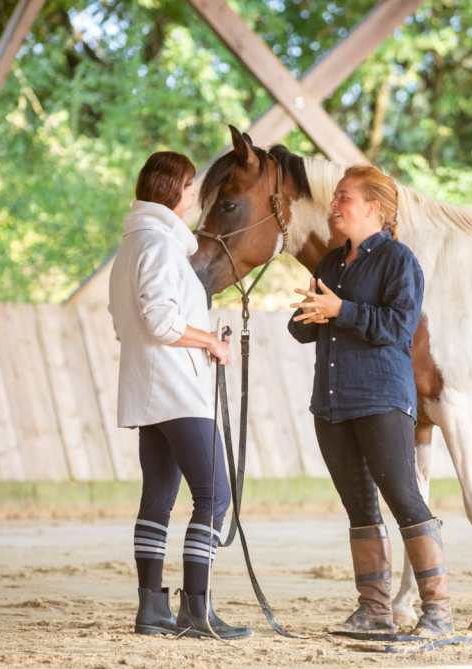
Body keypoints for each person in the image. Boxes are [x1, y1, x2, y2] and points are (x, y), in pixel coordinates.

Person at [287, 165, 453, 637]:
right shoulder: (329, 264)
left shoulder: (399, 261)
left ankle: (438, 611)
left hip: (381, 399)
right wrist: (311, 315)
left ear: (374, 208)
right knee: (359, 509)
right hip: (332, 403)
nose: (334, 205)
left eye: (344, 197)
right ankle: (374, 610)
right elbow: (300, 329)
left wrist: (340, 310)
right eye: (335, 197)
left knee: (404, 498)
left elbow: (399, 329)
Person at [108, 150, 250, 640]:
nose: (193, 196)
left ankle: (152, 609)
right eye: (190, 187)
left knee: (159, 499)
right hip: (177, 388)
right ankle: (197, 609)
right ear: (174, 191)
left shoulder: (133, 245)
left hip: (151, 387)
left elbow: (128, 319)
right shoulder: (160, 246)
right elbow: (160, 320)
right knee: (215, 494)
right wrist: (210, 341)